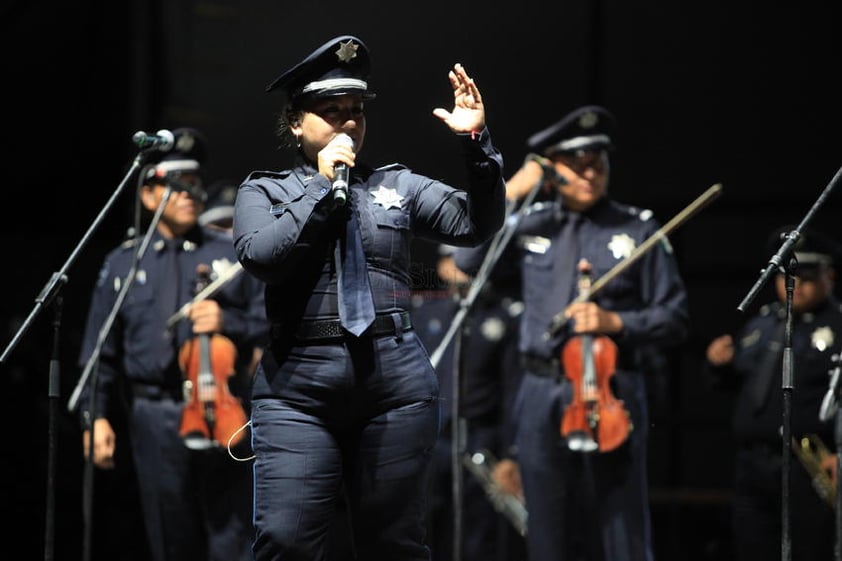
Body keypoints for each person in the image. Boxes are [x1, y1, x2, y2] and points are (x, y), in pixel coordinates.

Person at [231, 34, 506, 561]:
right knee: (285, 540)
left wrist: (476, 146)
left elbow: (477, 224)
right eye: (331, 112)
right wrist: (322, 184)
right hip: (298, 387)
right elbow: (261, 257)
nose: (347, 123)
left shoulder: (395, 184)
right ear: (295, 122)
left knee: (396, 546)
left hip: (393, 381)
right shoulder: (264, 191)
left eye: (355, 111)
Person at [454, 105, 690, 561]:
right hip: (540, 388)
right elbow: (465, 264)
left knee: (621, 523)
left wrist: (617, 323)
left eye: (597, 163)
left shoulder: (636, 227)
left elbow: (676, 317)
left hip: (612, 386)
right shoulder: (531, 223)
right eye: (576, 165)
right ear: (553, 168)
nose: (589, 173)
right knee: (545, 523)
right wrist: (514, 189)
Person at [75, 127, 268, 561]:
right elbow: (98, 349)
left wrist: (230, 320)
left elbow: (272, 323)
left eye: (196, 184)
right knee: (168, 534)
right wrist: (95, 417)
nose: (190, 193)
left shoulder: (232, 254)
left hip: (227, 409)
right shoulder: (125, 261)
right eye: (176, 184)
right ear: (148, 195)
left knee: (233, 536)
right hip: (154, 416)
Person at [704, 226, 842, 561]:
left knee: (810, 549)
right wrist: (718, 364)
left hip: (810, 465)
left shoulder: (838, 327)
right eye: (786, 276)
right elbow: (738, 386)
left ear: (829, 276)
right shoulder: (762, 324)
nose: (795, 285)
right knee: (753, 545)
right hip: (753, 463)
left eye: (807, 276)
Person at [412, 245, 527, 561]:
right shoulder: (424, 311)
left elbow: (513, 391)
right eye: (454, 260)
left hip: (480, 438)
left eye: (473, 261)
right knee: (422, 529)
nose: (463, 268)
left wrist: (510, 454)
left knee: (478, 533)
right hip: (430, 437)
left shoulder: (503, 316)